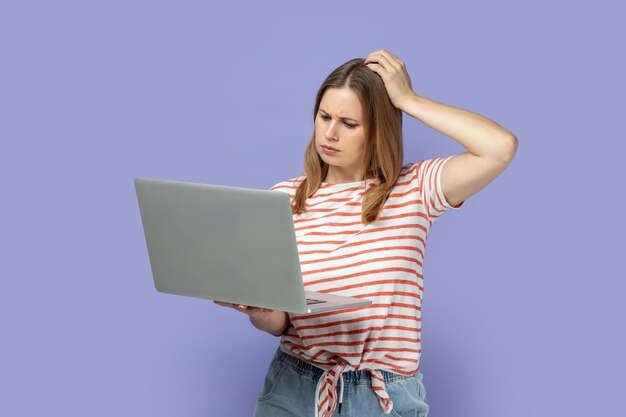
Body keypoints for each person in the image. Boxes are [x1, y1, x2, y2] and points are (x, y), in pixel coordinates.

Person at [214, 49, 518, 417]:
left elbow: (499, 148)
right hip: (294, 387)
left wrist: (409, 100)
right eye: (324, 116)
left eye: (349, 123)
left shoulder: (414, 189)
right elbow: (280, 322)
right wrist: (259, 310)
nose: (330, 133)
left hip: (383, 395)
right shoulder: (282, 199)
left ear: (377, 128)